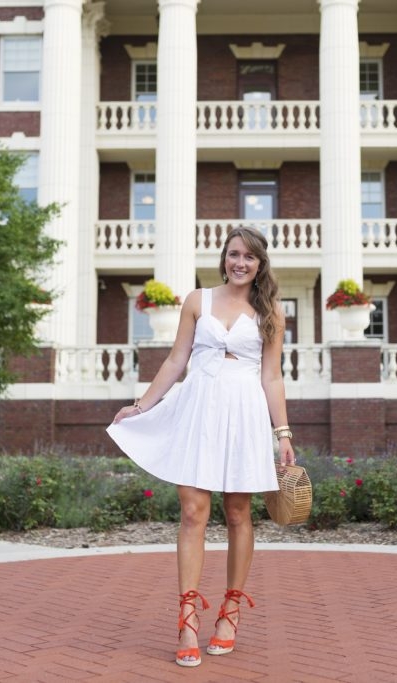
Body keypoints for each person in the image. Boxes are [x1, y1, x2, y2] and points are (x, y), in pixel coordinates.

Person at [107, 226, 295, 668]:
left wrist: (282, 433)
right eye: (233, 255)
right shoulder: (198, 301)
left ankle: (230, 612)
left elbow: (272, 376)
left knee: (238, 512)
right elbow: (177, 359)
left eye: (249, 257)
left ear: (260, 263)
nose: (240, 263)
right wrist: (141, 405)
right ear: (223, 258)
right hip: (198, 410)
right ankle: (188, 617)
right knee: (193, 511)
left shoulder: (271, 311)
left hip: (245, 413)